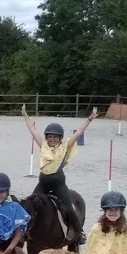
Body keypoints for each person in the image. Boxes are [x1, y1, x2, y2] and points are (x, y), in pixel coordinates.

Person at [21, 105, 97, 245]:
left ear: (60, 137)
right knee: (29, 204)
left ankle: (79, 232)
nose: (52, 139)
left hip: (58, 183)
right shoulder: (43, 145)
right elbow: (33, 130)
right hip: (43, 182)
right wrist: (25, 115)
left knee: (68, 206)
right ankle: (23, 231)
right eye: (50, 137)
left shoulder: (66, 145)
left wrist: (89, 119)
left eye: (55, 137)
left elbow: (79, 132)